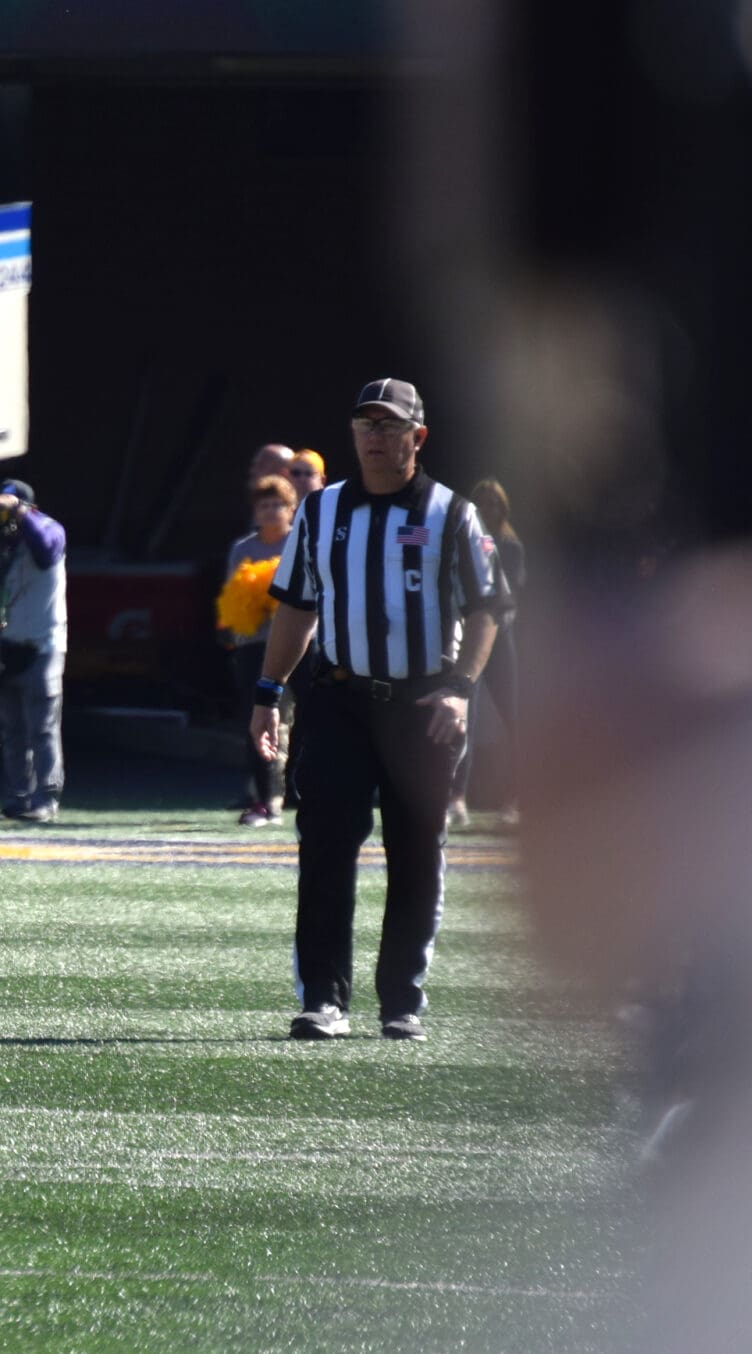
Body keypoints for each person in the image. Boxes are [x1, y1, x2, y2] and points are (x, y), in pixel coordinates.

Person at [252, 378, 511, 1043]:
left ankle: (402, 1000)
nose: (374, 436)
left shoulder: (453, 514)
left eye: (388, 426)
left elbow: (487, 610)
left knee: (416, 852)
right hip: (340, 698)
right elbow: (296, 607)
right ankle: (323, 997)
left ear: (416, 438)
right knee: (326, 848)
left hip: (422, 704)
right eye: (365, 424)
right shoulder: (321, 510)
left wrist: (458, 688)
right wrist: (268, 693)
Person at [0, 478, 66, 822]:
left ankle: (46, 799)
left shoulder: (48, 527)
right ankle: (18, 797)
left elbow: (47, 552)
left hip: (42, 644)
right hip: (2, 646)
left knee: (42, 726)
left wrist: (21, 514)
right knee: (11, 727)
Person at [218, 474, 298, 826]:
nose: (270, 511)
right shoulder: (243, 549)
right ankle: (267, 799)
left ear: (291, 509)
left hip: (298, 647)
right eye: (263, 505)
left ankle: (291, 794)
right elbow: (232, 600)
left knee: (295, 722)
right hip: (253, 647)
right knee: (260, 721)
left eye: (277, 504)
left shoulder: (300, 544)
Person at [449, 477, 525, 828]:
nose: (487, 509)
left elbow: (506, 592)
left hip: (501, 637)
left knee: (515, 716)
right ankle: (456, 798)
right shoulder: (462, 542)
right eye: (480, 503)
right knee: (465, 716)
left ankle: (516, 798)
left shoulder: (510, 546)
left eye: (493, 503)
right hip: (470, 637)